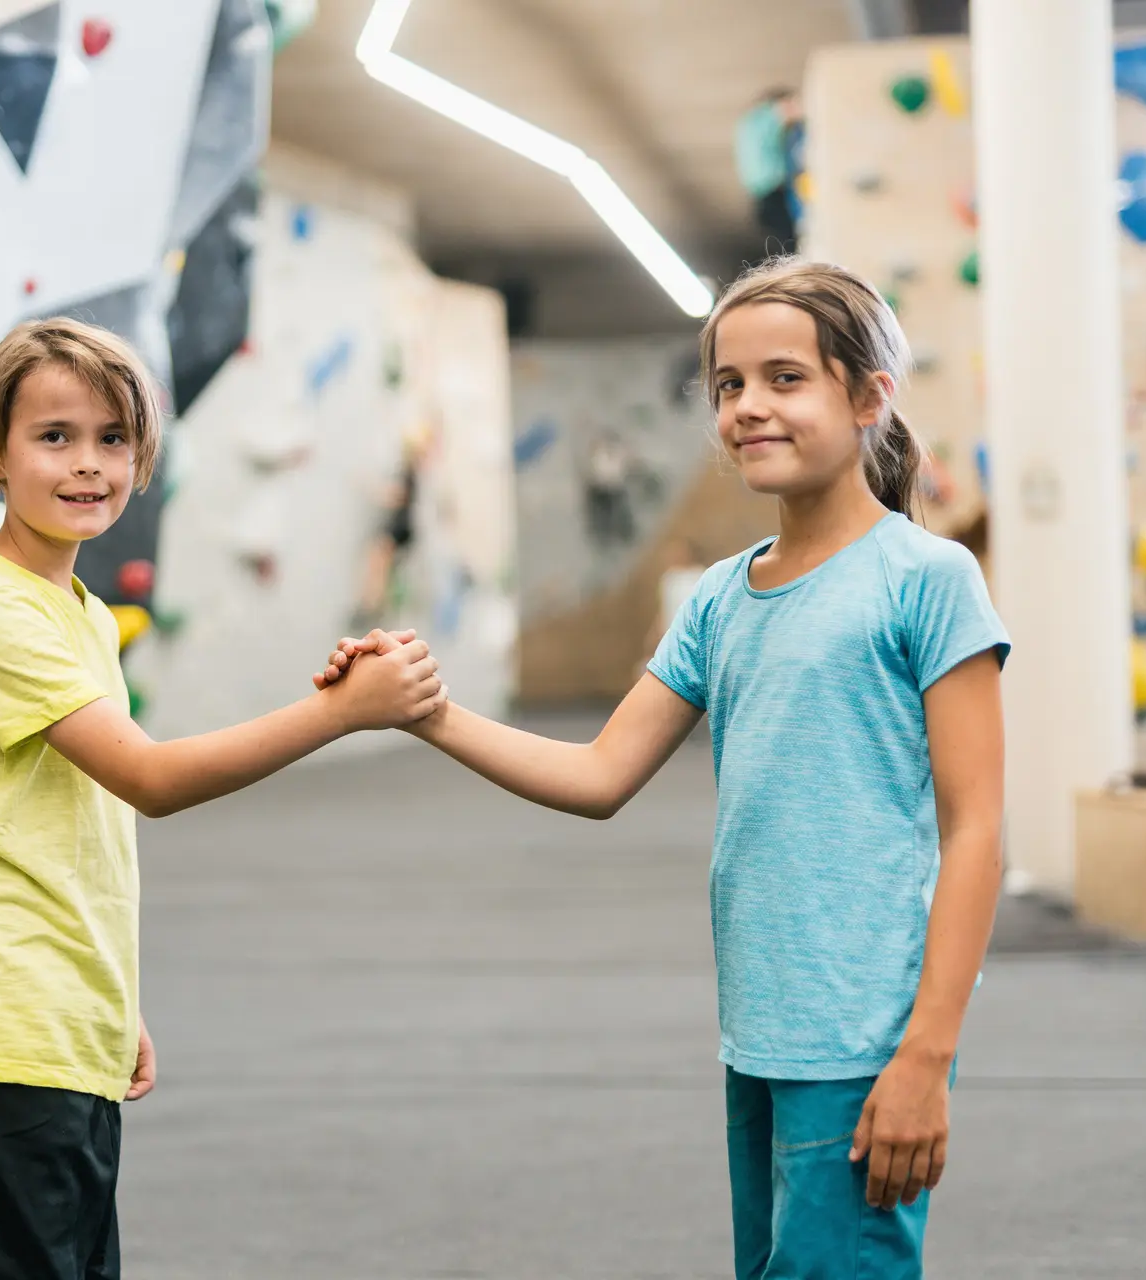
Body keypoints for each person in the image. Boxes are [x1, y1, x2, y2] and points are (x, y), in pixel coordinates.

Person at [320, 258, 1008, 1278]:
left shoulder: (927, 579)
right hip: (759, 1036)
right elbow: (600, 774)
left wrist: (926, 1056)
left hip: (862, 1043)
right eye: (729, 385)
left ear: (870, 396)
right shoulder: (721, 599)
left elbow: (978, 829)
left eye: (785, 378)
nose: (748, 407)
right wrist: (425, 712)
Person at [0, 317, 445, 1279]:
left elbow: (72, 823)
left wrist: (108, 993)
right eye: (53, 436)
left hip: (59, 1015)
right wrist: (341, 714)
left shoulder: (83, 615)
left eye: (112, 439)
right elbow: (147, 778)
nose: (88, 465)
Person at [736, 88, 804, 253]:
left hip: (762, 198)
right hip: (773, 192)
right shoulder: (766, 117)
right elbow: (790, 114)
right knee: (791, 245)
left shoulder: (748, 124)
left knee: (786, 246)